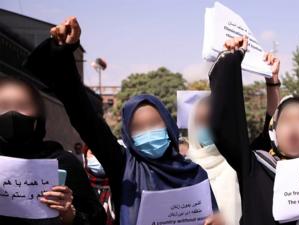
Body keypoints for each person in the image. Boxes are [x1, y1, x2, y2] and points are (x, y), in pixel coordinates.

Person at [24, 16, 223, 225]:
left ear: (169, 126)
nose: (148, 132)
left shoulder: (195, 175)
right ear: (128, 136)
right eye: (138, 128)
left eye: (155, 124)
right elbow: (85, 117)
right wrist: (64, 51)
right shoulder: (124, 166)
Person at [208, 35, 299, 225]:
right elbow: (226, 125)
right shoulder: (256, 168)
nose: (294, 128)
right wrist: (231, 59)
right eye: (286, 121)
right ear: (275, 133)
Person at [0, 76, 106, 225]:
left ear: (38, 113)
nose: (12, 113)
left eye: (22, 105)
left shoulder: (63, 163)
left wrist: (70, 215)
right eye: (3, 105)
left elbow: (96, 220)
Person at [187, 96, 242, 225]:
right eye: (200, 122)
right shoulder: (185, 169)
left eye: (211, 121)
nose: (206, 127)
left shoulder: (240, 164)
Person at [83, 146, 115, 225]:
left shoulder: (120, 184)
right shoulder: (81, 185)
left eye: (102, 153)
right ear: (85, 156)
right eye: (93, 153)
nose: (98, 157)